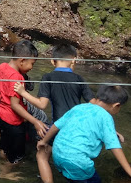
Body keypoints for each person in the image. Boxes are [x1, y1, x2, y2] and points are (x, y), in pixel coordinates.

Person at [14, 44, 95, 183]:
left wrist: (23, 93)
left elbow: (42, 104)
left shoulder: (48, 77)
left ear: (53, 61)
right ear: (74, 60)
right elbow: (94, 105)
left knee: (42, 155)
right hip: (77, 128)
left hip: (58, 127)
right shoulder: (80, 79)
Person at [38, 86, 131, 183]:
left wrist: (43, 141)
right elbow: (115, 147)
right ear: (116, 105)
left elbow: (56, 126)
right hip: (77, 161)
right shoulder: (106, 117)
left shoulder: (80, 107)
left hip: (58, 154)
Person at [0, 40, 48, 179]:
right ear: (22, 61)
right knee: (18, 156)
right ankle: (5, 173)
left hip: (0, 115)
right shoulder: (17, 77)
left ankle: (2, 162)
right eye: (32, 63)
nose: (31, 67)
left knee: (4, 146)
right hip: (12, 121)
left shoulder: (2, 67)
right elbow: (15, 105)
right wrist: (35, 121)